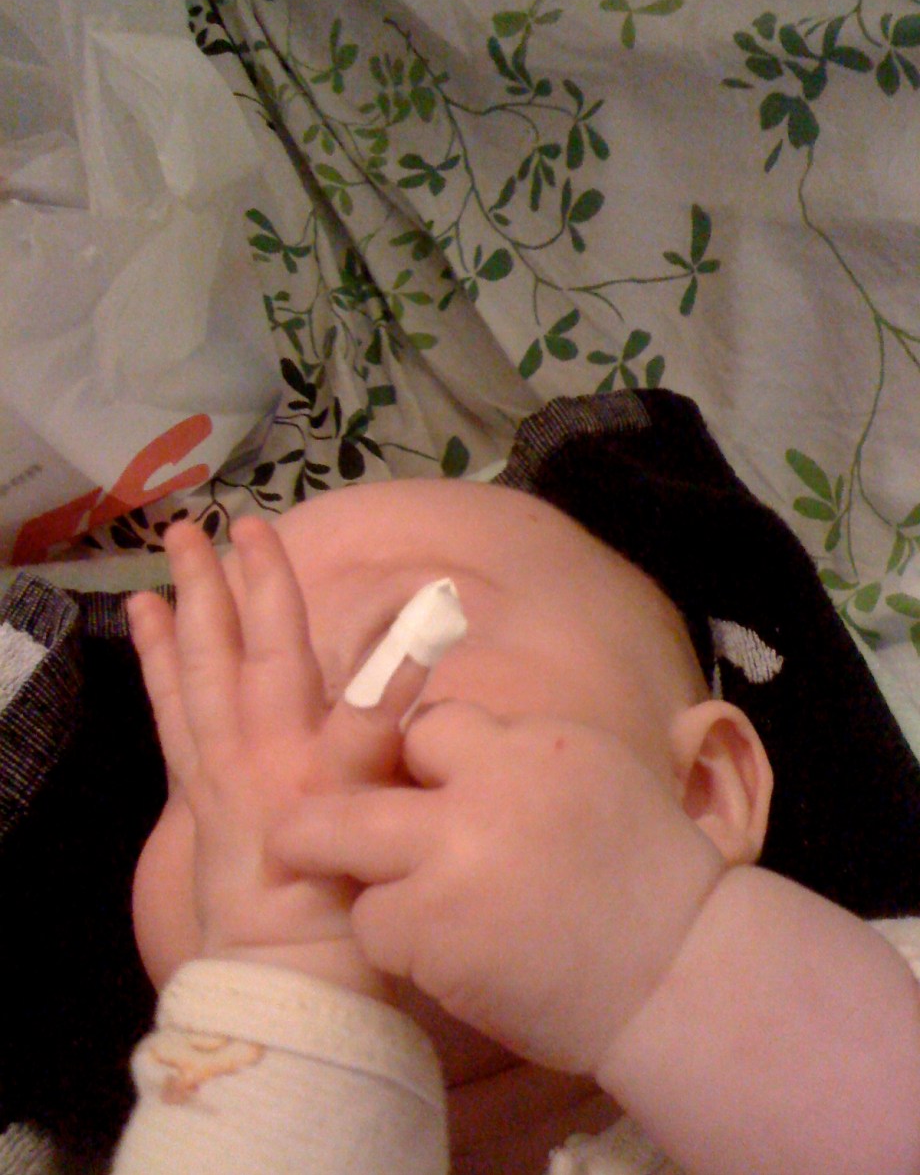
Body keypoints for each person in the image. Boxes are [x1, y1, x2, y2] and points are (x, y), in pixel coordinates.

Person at [114, 391, 920, 1175]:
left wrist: (657, 959)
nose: (294, 750)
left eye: (398, 638)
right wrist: (277, 1007)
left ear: (703, 791)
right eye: (208, 755)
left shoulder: (867, 1009)